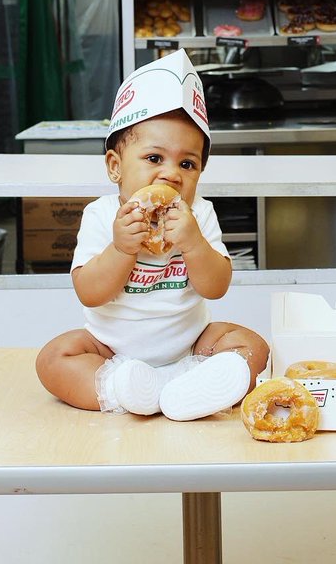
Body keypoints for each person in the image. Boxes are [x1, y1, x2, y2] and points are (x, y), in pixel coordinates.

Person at [36, 50, 269, 420]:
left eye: (187, 164)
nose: (172, 174)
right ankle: (123, 388)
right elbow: (89, 293)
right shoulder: (101, 215)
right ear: (115, 166)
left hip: (191, 347)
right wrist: (120, 249)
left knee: (253, 345)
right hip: (111, 352)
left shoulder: (198, 214)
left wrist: (193, 244)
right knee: (54, 358)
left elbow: (216, 287)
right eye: (154, 158)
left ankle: (192, 387)